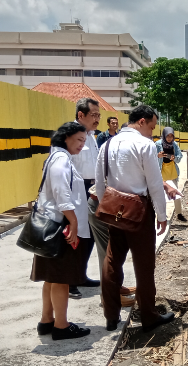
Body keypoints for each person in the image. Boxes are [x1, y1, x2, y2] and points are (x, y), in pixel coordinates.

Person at [95, 105, 175, 332]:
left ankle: (111, 316)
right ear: (141, 121)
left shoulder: (108, 144)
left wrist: (107, 207)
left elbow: (100, 182)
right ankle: (148, 316)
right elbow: (154, 183)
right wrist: (161, 214)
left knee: (112, 262)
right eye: (151, 126)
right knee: (144, 265)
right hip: (139, 211)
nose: (152, 132)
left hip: (114, 210)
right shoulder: (145, 144)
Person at [31, 122, 91, 341]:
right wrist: (73, 223)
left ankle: (47, 320)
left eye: (84, 141)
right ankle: (61, 325)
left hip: (52, 224)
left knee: (51, 277)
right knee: (61, 279)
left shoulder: (55, 157)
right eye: (79, 140)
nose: (81, 145)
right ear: (66, 137)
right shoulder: (61, 160)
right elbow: (61, 193)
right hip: (59, 227)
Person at [69, 98, 102, 299]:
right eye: (94, 115)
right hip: (77, 188)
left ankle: (80, 275)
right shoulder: (72, 134)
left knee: (89, 234)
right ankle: (69, 280)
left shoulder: (90, 136)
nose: (98, 119)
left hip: (91, 187)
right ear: (81, 115)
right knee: (76, 236)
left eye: (99, 115)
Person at [156, 127, 186, 222]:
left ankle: (179, 213)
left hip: (172, 169)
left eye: (171, 136)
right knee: (161, 194)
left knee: (175, 191)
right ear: (164, 136)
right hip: (161, 170)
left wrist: (174, 158)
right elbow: (151, 157)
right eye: (167, 136)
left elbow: (179, 156)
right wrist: (158, 156)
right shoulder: (157, 144)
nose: (169, 138)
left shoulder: (174, 144)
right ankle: (161, 216)